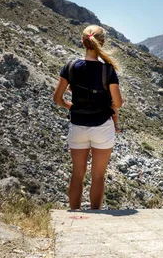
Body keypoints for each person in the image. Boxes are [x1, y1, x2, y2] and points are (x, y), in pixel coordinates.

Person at [53, 25, 123, 210]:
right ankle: (95, 215)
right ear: (102, 42)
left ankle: (74, 214)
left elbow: (57, 99)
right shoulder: (107, 70)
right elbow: (119, 102)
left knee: (77, 174)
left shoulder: (70, 67)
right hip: (102, 127)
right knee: (98, 176)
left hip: (78, 125)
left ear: (82, 41)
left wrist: (72, 106)